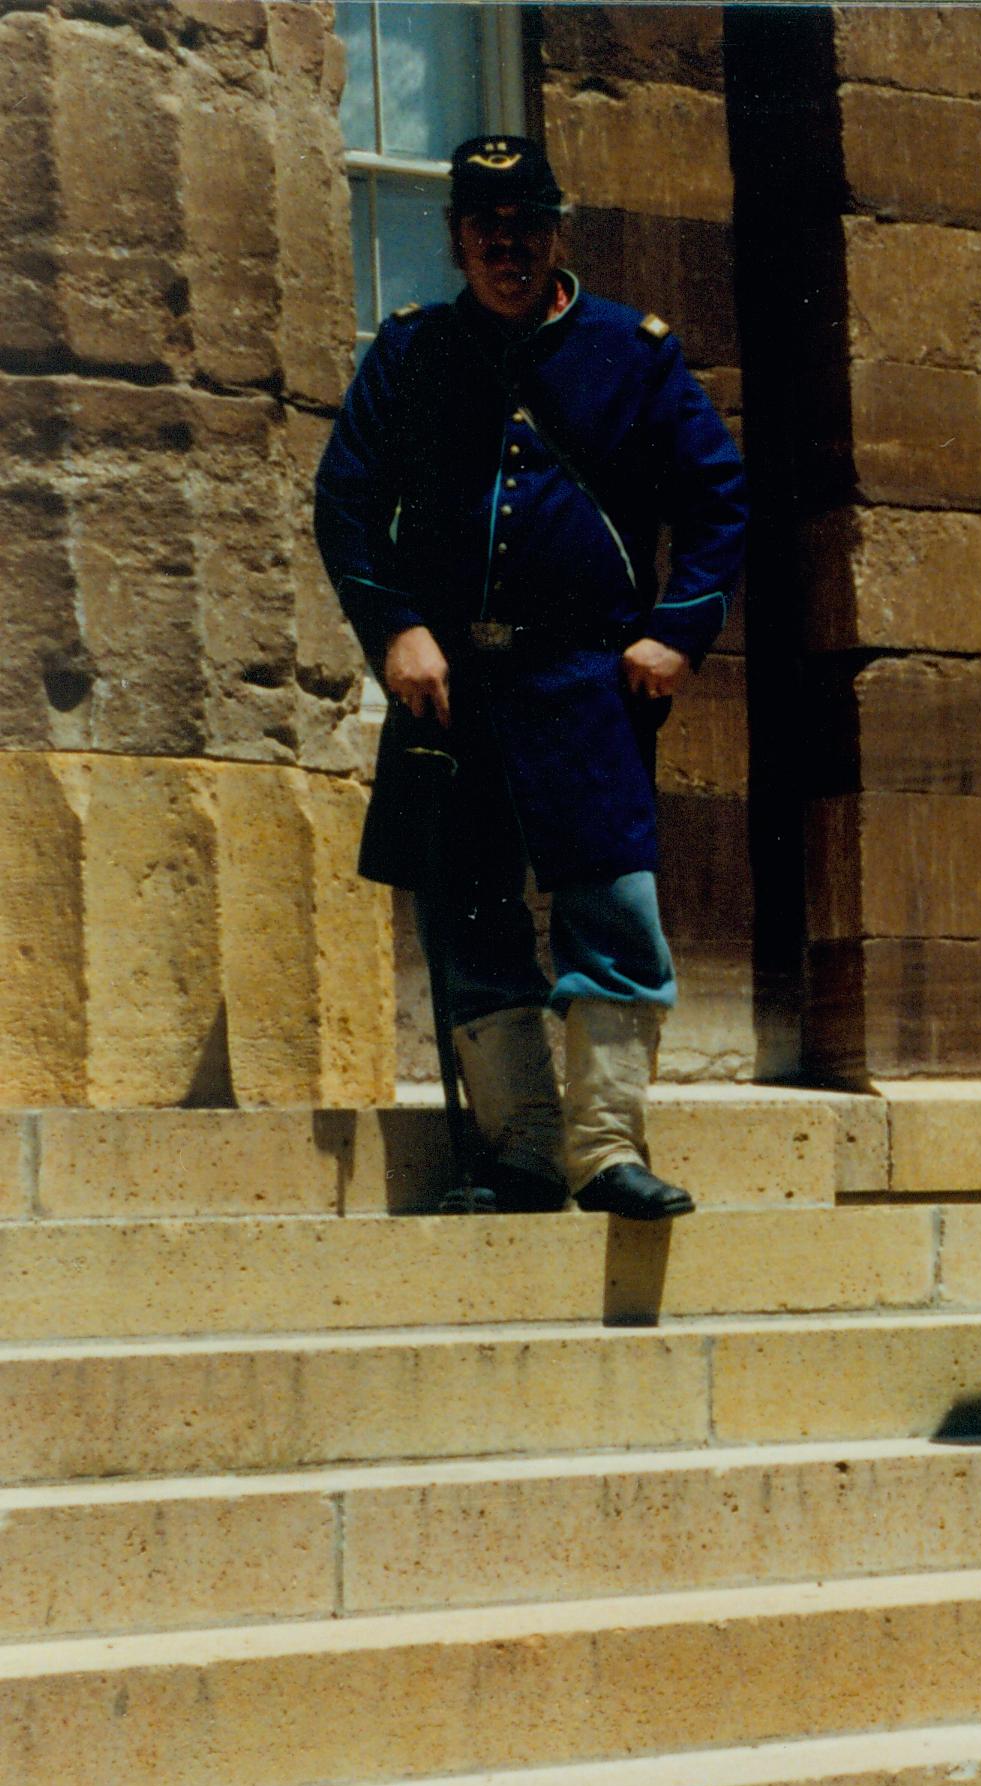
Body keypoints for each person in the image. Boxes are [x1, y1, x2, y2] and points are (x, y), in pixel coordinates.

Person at [313, 134, 746, 1219]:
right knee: (471, 916)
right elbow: (347, 506)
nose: (508, 250)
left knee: (612, 908)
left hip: (586, 683)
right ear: (459, 241)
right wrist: (396, 629)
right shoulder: (412, 354)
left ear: (558, 233)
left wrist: (676, 633)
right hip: (447, 687)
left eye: (527, 229)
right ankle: (520, 1149)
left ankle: (605, 1152)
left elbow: (717, 503)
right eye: (485, 232)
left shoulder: (630, 351)